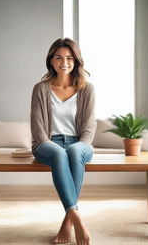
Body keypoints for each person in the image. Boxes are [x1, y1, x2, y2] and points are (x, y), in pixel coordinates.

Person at [30, 38, 97, 245]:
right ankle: (76, 217)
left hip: (79, 143)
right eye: (59, 57)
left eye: (69, 58)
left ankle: (67, 221)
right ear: (51, 60)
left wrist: (81, 144)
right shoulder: (40, 89)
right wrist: (48, 143)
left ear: (76, 61)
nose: (64, 62)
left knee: (75, 152)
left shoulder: (87, 89)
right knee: (59, 153)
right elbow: (38, 128)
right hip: (47, 144)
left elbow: (89, 126)